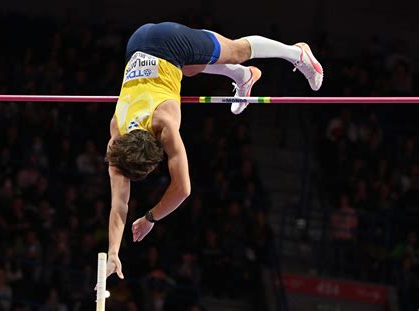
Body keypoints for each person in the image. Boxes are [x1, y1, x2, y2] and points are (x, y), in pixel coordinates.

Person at [105, 22, 323, 279]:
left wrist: (150, 218)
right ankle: (243, 77)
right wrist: (112, 253)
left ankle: (297, 53)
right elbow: (119, 204)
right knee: (191, 67)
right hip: (137, 41)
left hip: (171, 43)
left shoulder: (165, 122)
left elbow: (183, 189)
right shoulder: (116, 134)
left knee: (237, 50)